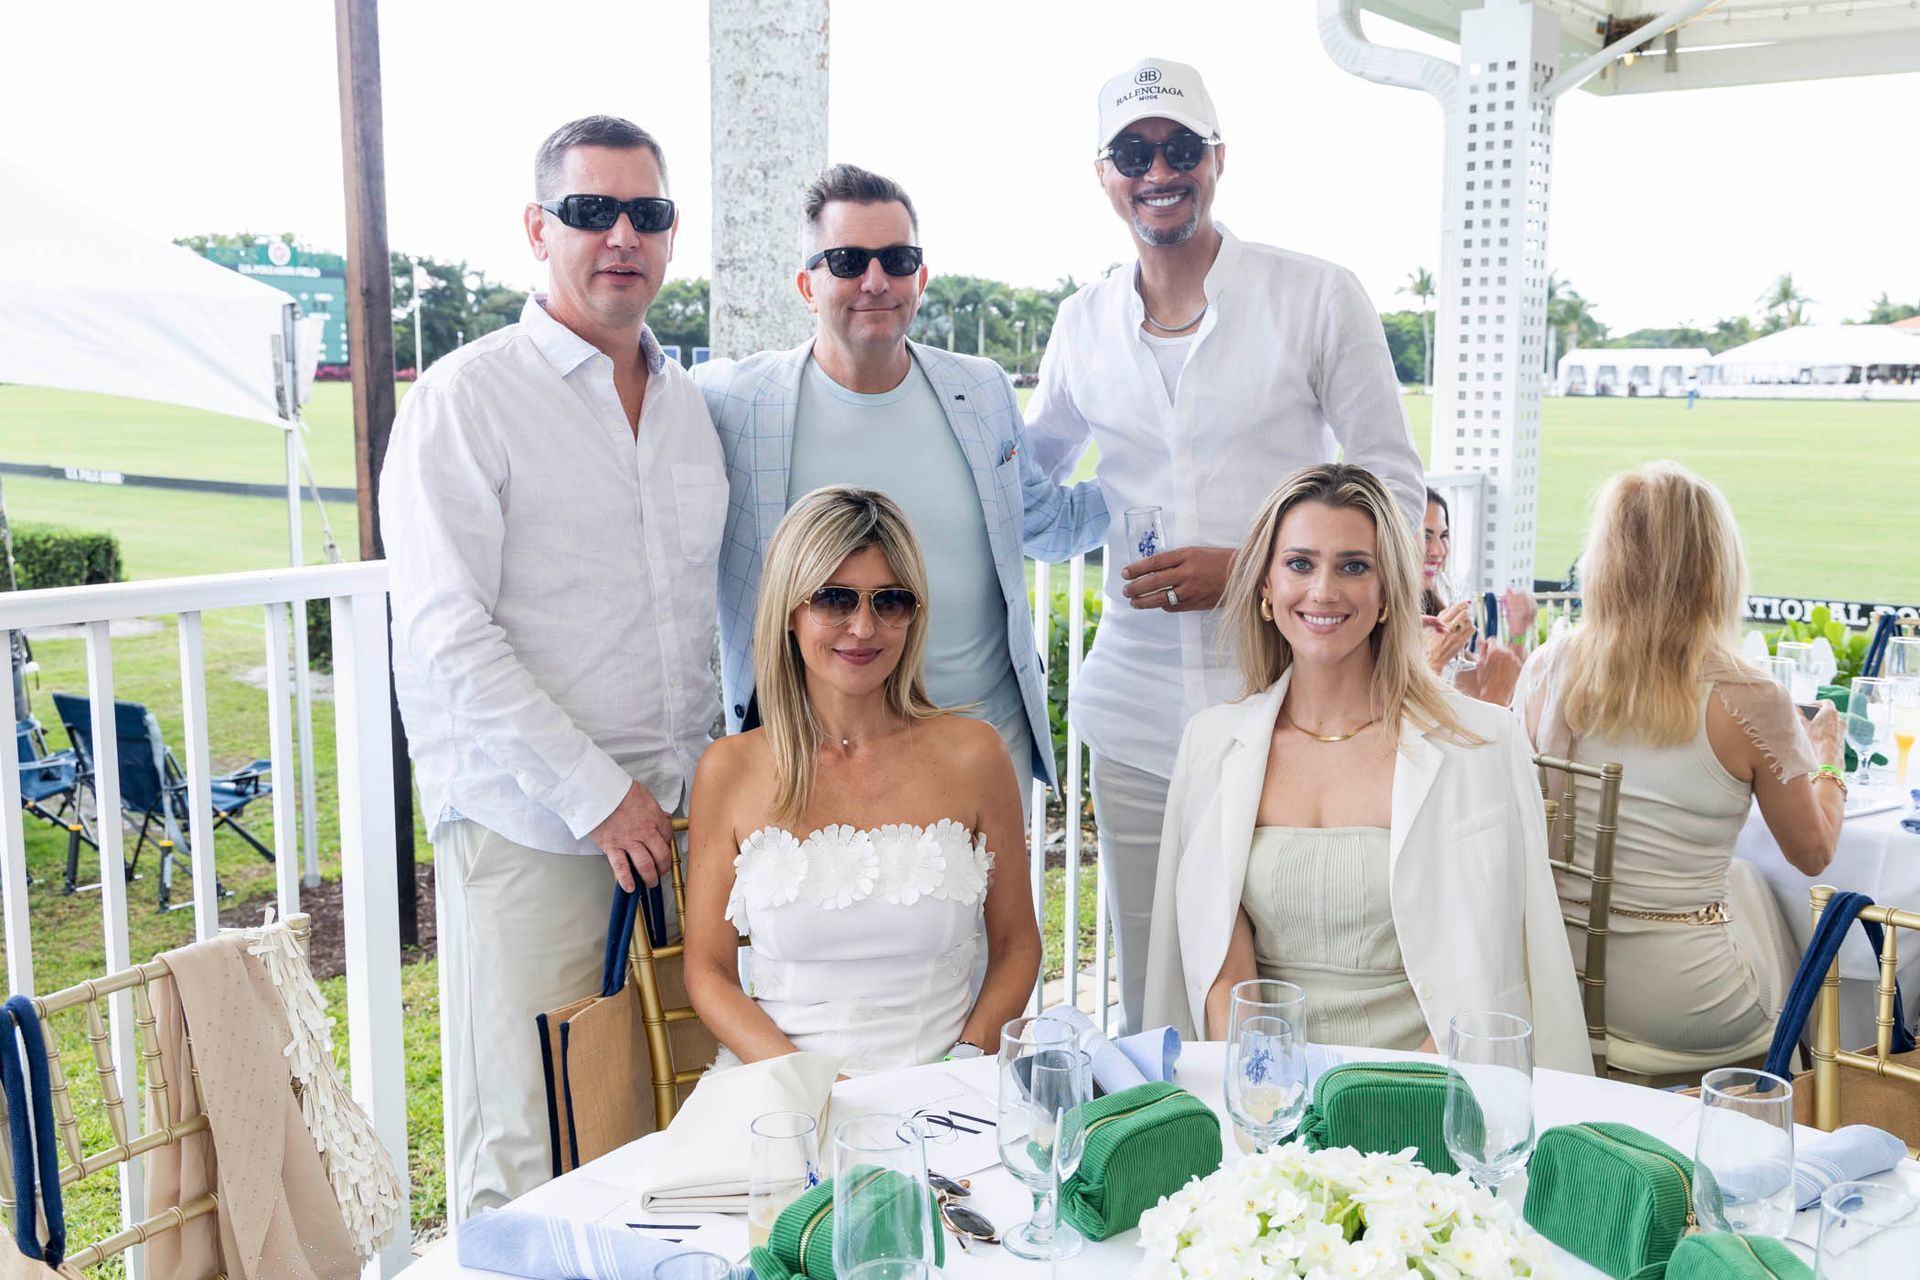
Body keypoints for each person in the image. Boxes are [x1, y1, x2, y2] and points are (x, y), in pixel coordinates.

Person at [1024, 58, 1426, 1032]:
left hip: (1292, 691)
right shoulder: (1081, 325)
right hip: (1136, 708)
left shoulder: (1317, 296)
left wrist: (1250, 571)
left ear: (1217, 160)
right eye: (1133, 151)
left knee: (1279, 977)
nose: (1157, 170)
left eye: (1179, 148)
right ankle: (1164, 1177)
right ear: (1104, 174)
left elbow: (1392, 491)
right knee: (1154, 977)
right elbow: (1029, 493)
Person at [382, 116, 723, 1218]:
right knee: (530, 1134)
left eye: (648, 213)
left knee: (656, 1113)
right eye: (590, 210)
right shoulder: (466, 398)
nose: (621, 233)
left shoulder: (686, 404)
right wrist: (596, 793)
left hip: (671, 824)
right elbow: (449, 630)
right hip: (538, 827)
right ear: (539, 228)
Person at [1141, 463, 1589, 1074]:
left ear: (1386, 595)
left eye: (1354, 566)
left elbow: (1502, 965)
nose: (1324, 590)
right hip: (1267, 1097)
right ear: (1266, 588)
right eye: (1300, 563)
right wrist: (1269, 1105)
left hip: (1430, 1095)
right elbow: (1217, 963)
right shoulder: (1211, 746)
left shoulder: (1482, 743)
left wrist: (1383, 1112)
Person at [696, 164, 1106, 812]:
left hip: (977, 761)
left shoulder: (983, 389)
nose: (876, 280)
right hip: (809, 769)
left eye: (898, 258)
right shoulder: (733, 402)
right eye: (848, 260)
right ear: (807, 285)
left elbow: (1043, 521)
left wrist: (1160, 471)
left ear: (921, 276)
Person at [683, 487, 1041, 1073]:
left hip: (950, 1094)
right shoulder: (730, 770)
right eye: (834, 598)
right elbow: (708, 972)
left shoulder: (976, 756)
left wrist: (962, 1066)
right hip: (787, 1099)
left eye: (890, 601)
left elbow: (1018, 946)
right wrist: (813, 1085)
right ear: (788, 613)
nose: (863, 627)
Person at [1513, 462, 1844, 1074]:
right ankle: (1815, 1095)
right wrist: (1826, 760)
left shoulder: (1546, 670)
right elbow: (1814, 853)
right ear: (1718, 567)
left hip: (1556, 976)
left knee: (1746, 885)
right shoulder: (1748, 697)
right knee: (1777, 916)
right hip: (1689, 1005)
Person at [1418, 487, 1530, 706]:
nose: (1438, 550)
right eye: (1425, 536)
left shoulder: (1436, 612)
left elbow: (1479, 686)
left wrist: (1515, 638)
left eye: (1444, 536)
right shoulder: (1380, 627)